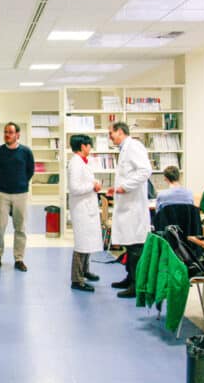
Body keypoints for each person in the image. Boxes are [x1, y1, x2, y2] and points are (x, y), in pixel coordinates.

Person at [107, 122, 152, 298]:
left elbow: (145, 171)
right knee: (129, 245)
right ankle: (129, 278)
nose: (110, 136)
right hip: (126, 205)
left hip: (134, 207)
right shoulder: (124, 149)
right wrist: (117, 187)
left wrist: (124, 187)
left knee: (135, 248)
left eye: (111, 133)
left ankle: (136, 284)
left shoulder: (134, 147)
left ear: (120, 131)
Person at [0, 122, 34, 272]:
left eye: (10, 132)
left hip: (20, 193)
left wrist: (20, 183)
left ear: (17, 135)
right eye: (5, 132)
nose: (7, 135)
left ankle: (19, 259)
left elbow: (30, 171)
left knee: (20, 228)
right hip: (1, 194)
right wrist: (0, 184)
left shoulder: (26, 152)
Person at [68, 134, 103, 292]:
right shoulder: (75, 163)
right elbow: (74, 188)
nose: (90, 148)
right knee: (82, 244)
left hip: (88, 206)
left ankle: (85, 270)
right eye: (89, 145)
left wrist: (93, 184)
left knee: (88, 242)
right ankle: (77, 279)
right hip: (81, 208)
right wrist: (92, 186)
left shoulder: (84, 162)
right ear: (83, 146)